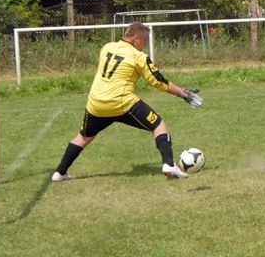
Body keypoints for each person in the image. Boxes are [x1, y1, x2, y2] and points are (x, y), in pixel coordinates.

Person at [51, 22, 202, 182]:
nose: (145, 45)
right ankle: (169, 165)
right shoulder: (138, 57)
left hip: (96, 104)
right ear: (137, 39)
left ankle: (60, 173)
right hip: (122, 103)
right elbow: (158, 81)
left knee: (83, 137)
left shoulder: (107, 47)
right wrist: (183, 93)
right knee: (158, 125)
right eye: (145, 41)